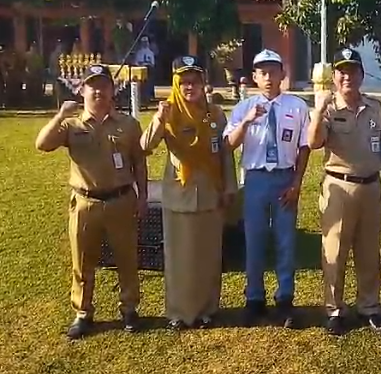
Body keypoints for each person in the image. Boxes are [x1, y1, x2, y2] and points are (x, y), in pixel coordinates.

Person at [34, 64, 147, 340]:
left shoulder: (128, 124)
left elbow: (139, 163)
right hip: (85, 203)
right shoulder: (71, 124)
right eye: (92, 85)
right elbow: (42, 144)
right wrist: (60, 114)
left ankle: (129, 309)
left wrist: (143, 196)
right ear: (82, 90)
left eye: (104, 85)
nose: (98, 91)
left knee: (127, 258)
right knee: (82, 261)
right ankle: (83, 312)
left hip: (121, 198)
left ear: (112, 90)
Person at [141, 55, 237, 330]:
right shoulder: (169, 112)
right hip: (179, 196)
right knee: (179, 258)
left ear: (203, 83)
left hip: (211, 194)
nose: (189, 87)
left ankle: (207, 309)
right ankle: (180, 312)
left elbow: (225, 154)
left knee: (208, 256)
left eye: (194, 81)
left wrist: (230, 187)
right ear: (175, 84)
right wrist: (159, 120)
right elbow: (145, 146)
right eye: (183, 82)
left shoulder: (215, 114)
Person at [307, 47, 381, 336]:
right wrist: (319, 111)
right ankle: (334, 309)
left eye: (353, 70)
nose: (348, 76)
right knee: (335, 250)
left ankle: (369, 307)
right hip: (339, 186)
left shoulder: (375, 108)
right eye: (342, 71)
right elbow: (313, 143)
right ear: (334, 77)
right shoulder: (330, 108)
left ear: (361, 74)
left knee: (369, 252)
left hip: (371, 186)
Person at [225, 49, 311, 328]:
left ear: (282, 74)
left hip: (285, 178)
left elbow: (304, 147)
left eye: (273, 71)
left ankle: (285, 299)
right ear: (254, 77)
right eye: (263, 72)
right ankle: (254, 298)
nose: (269, 77)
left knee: (285, 241)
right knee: (255, 239)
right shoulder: (243, 108)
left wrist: (297, 183)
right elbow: (228, 145)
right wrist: (248, 120)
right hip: (256, 179)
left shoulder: (296, 106)